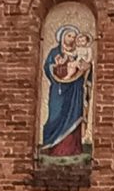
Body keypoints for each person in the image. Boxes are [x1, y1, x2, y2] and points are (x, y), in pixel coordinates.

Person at [40, 23, 93, 156]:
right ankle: (51, 145)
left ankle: (72, 149)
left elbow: (85, 67)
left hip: (75, 90)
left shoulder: (78, 53)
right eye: (69, 36)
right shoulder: (55, 52)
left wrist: (87, 67)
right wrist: (57, 66)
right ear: (63, 37)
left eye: (74, 37)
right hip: (58, 89)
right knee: (56, 114)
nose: (71, 39)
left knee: (74, 115)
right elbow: (48, 68)